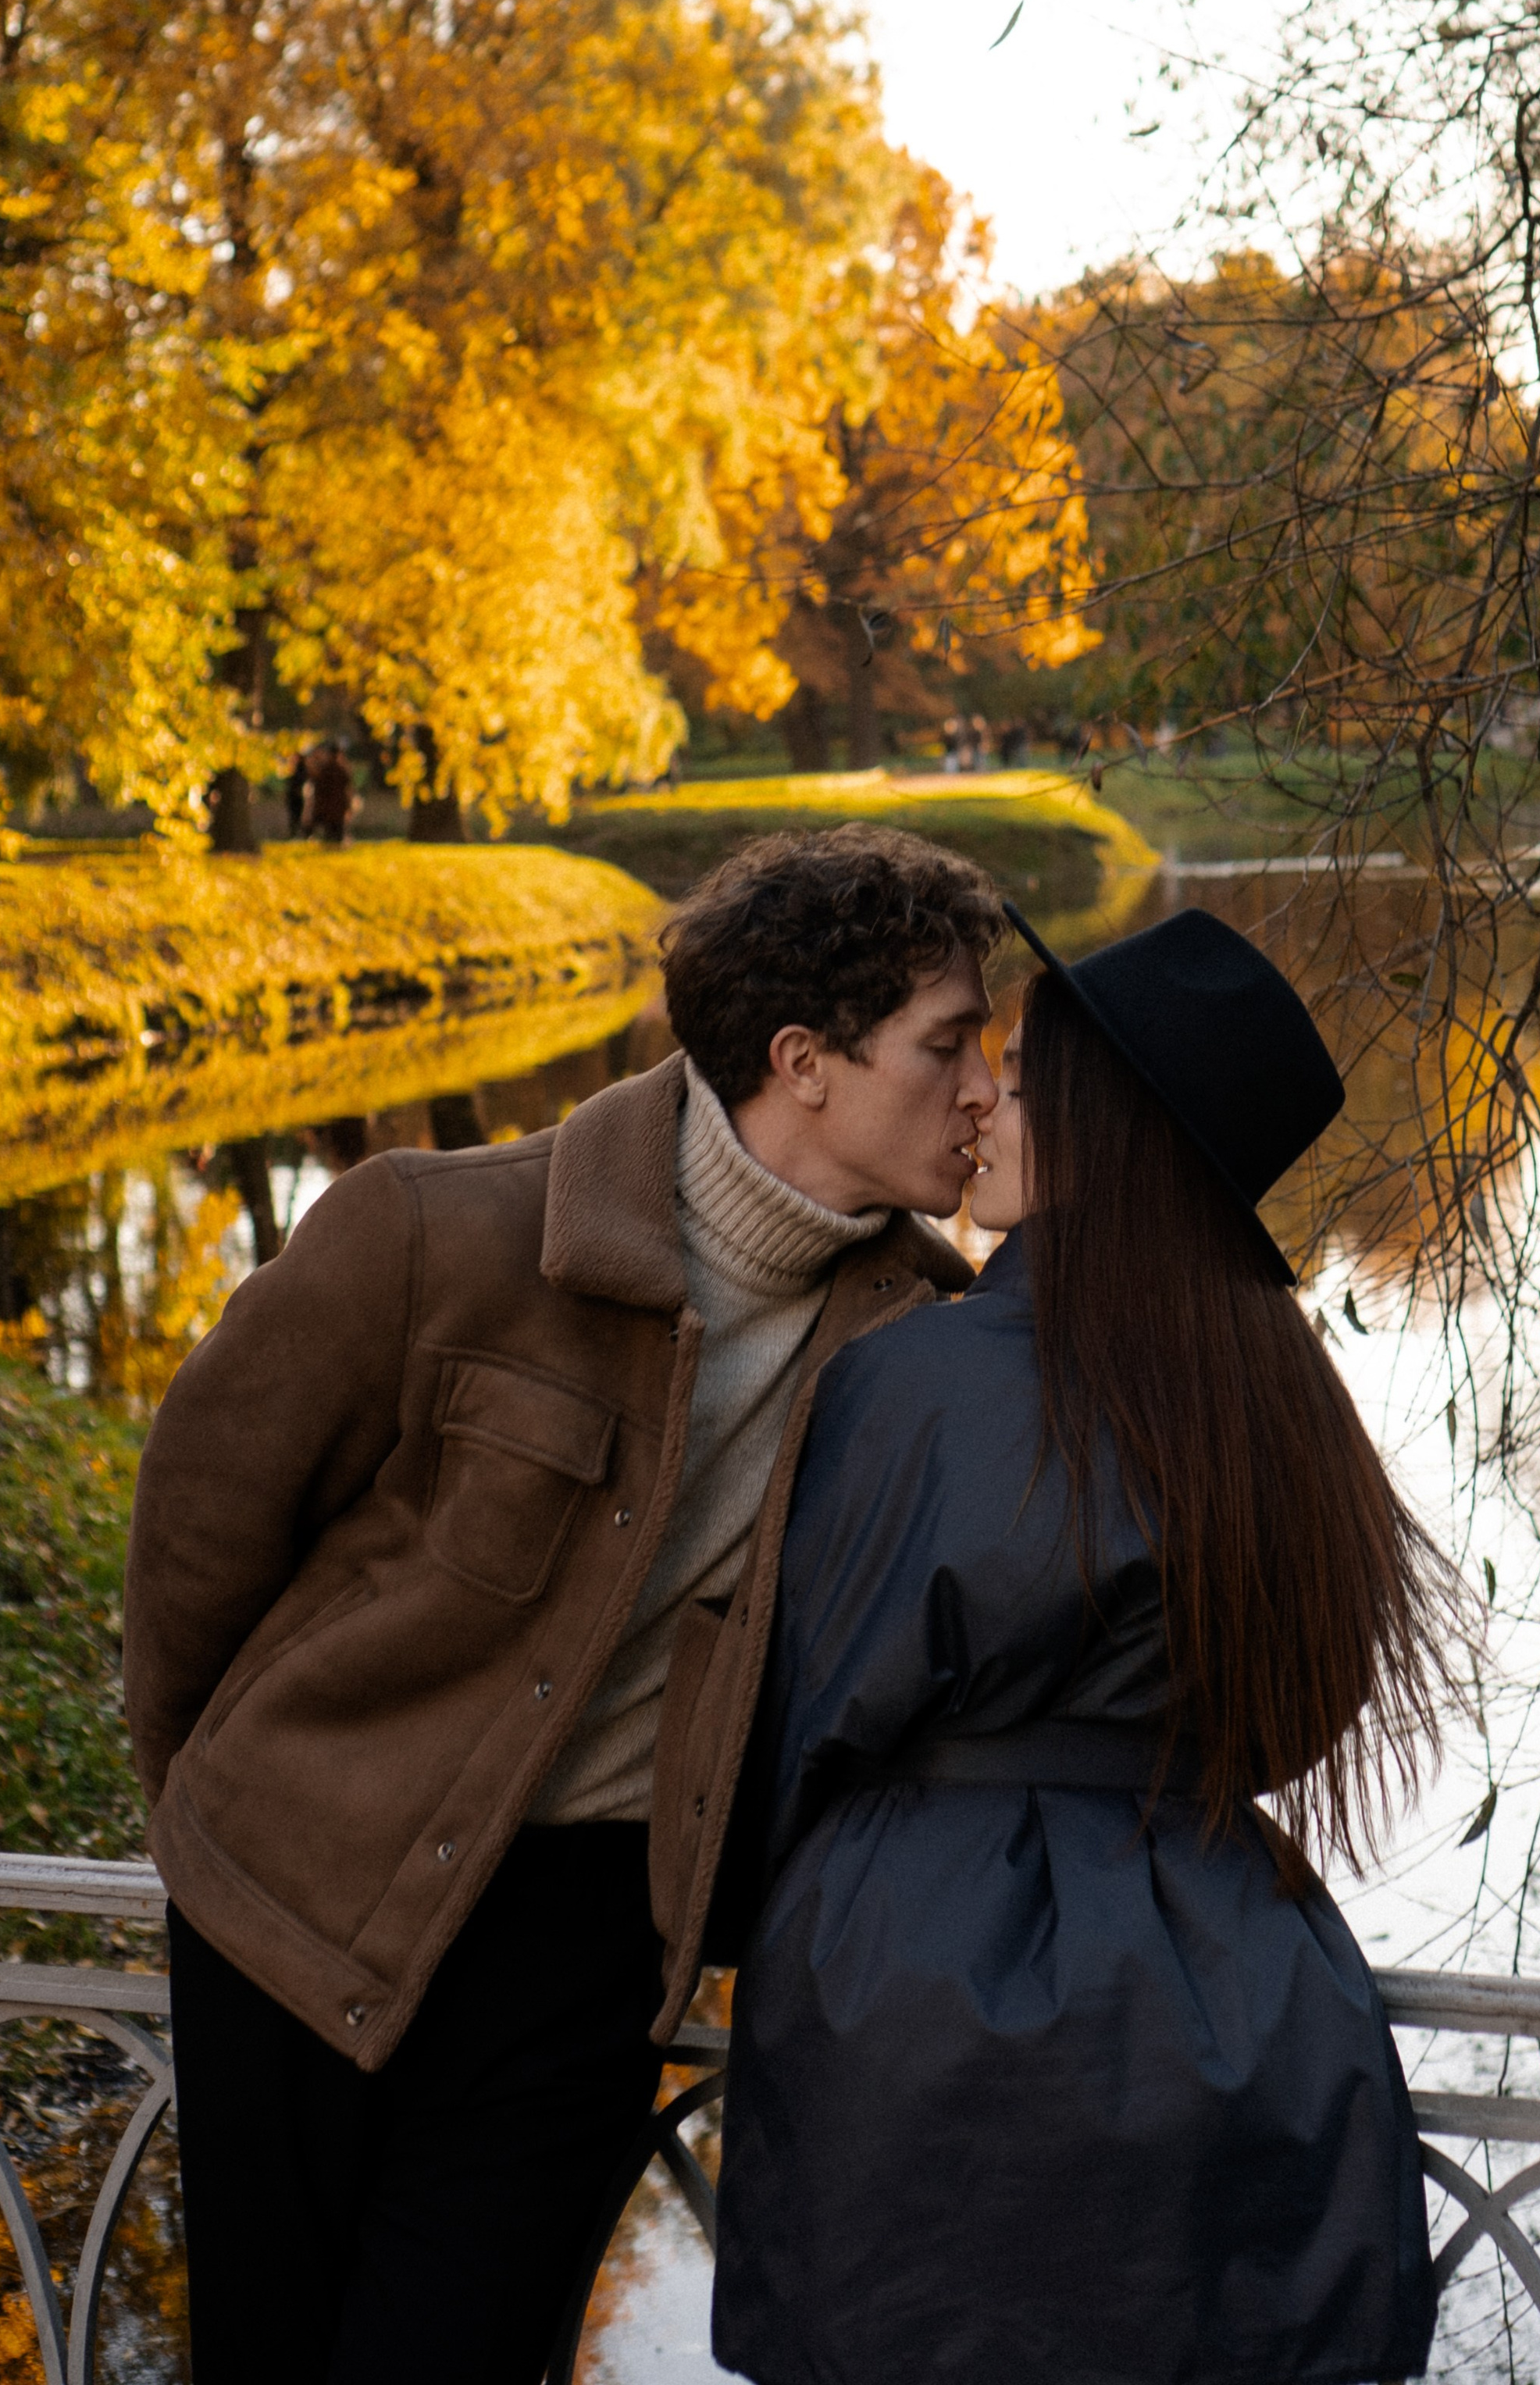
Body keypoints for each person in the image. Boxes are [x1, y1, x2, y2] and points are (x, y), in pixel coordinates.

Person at [120, 827, 1003, 2385]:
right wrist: (216, 1813)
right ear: (804, 1061)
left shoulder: (925, 1346)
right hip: (299, 1891)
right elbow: (203, 1527)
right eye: (949, 1047)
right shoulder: (431, 1228)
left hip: (589, 1960)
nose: (987, 1090)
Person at [713, 902, 1461, 2385]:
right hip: (1233, 1986)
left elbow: (805, 1712)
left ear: (1104, 1136)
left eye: (1019, 1083)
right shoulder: (1288, 1405)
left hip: (916, 2005)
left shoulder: (918, 1384)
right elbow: (1304, 1710)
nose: (980, 1107)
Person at [304, 736, 355, 843]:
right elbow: (348, 789)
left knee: (327, 836)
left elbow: (313, 777)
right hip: (336, 810)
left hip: (325, 810)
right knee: (335, 836)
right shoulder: (341, 770)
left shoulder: (325, 770)